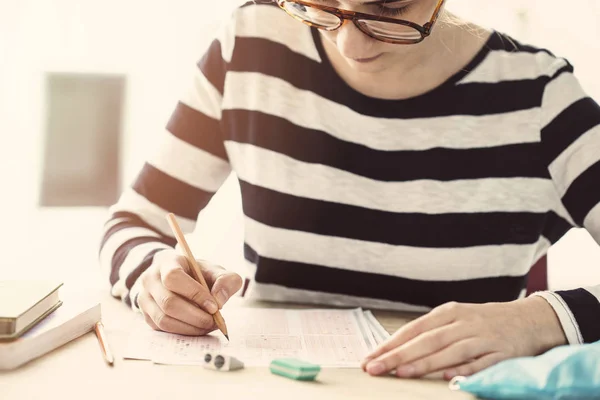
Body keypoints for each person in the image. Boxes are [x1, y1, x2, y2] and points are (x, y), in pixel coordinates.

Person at [99, 0, 600, 381]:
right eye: (321, 5)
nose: (350, 45)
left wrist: (542, 320)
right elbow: (134, 222)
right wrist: (153, 276)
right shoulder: (251, 45)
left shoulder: (537, 94)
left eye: (389, 9)